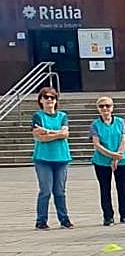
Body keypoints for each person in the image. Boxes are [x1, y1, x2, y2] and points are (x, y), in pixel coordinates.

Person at [30, 86, 74, 230]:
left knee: (60, 191)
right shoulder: (38, 116)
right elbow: (40, 138)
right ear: (40, 100)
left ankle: (64, 219)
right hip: (43, 158)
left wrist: (48, 131)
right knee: (45, 191)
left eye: (52, 97)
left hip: (61, 158)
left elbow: (65, 134)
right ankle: (41, 220)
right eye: (46, 97)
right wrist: (57, 134)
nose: (49, 100)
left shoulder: (62, 116)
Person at [89, 95, 125, 226]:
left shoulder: (120, 122)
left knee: (122, 187)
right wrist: (112, 155)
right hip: (102, 161)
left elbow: (124, 139)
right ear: (98, 109)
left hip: (122, 159)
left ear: (112, 107)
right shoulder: (95, 124)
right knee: (105, 188)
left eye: (107, 106)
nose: (105, 108)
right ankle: (108, 216)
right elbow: (97, 144)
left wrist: (117, 156)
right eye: (101, 106)